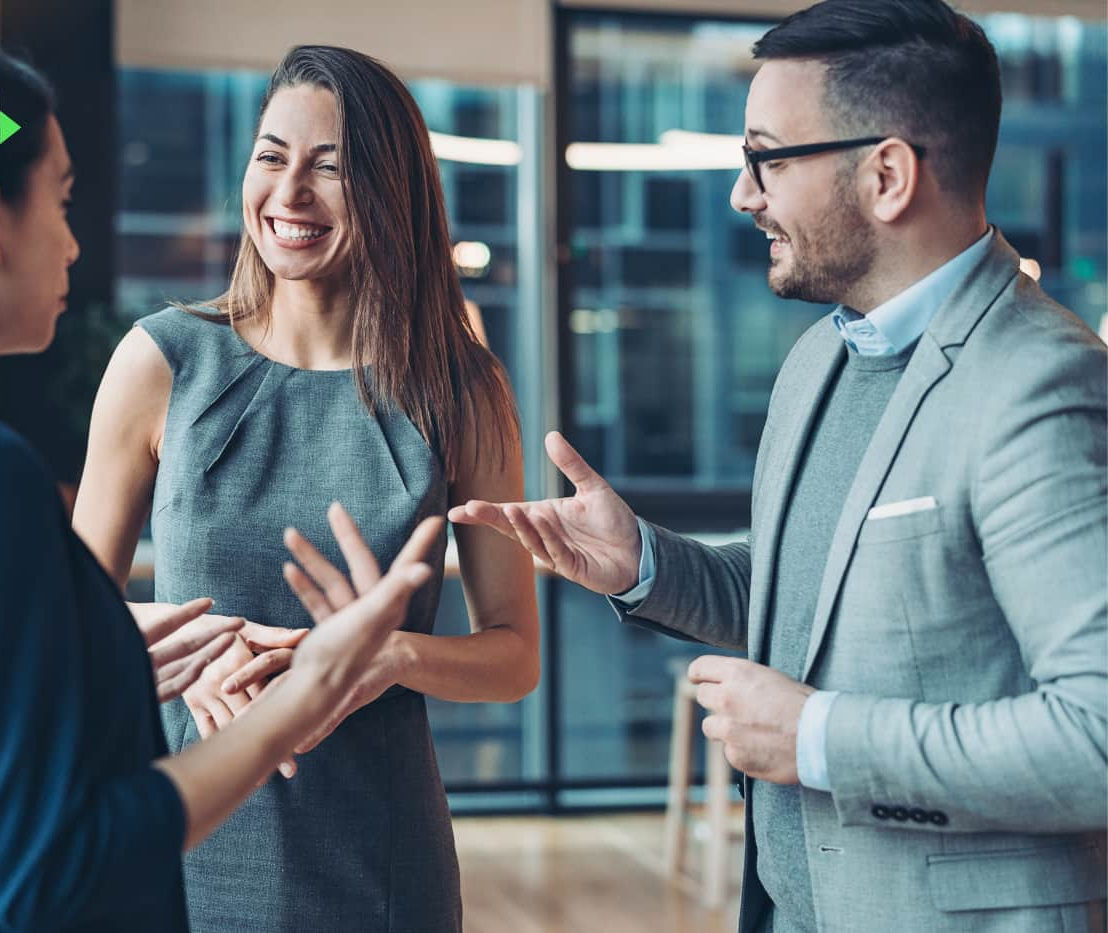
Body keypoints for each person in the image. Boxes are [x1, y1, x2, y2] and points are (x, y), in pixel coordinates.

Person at [0, 32, 443, 932]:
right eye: (58, 199)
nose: (72, 241)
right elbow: (57, 867)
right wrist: (302, 699)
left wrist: (87, 653)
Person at [451, 2, 1108, 931]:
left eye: (767, 157)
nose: (742, 194)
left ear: (886, 174)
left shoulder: (1040, 384)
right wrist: (644, 560)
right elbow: (816, 600)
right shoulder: (818, 361)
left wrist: (819, 739)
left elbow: (1098, 733)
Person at [73, 44, 539, 933]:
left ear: (392, 192)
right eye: (271, 156)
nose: (289, 194)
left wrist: (390, 655)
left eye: (330, 168)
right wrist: (174, 650)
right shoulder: (161, 362)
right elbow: (66, 629)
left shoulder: (461, 387)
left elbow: (515, 653)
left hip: (380, 860)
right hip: (182, 842)